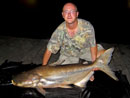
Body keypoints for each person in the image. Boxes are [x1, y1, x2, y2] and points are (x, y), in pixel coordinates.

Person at [42, 2, 105, 80]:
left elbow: (93, 45)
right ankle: (84, 72)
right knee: (63, 77)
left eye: (72, 11)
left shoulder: (87, 26)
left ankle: (88, 69)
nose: (69, 14)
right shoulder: (59, 30)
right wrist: (43, 69)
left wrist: (94, 63)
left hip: (85, 51)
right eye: (66, 11)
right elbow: (49, 50)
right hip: (68, 55)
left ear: (77, 14)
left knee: (103, 56)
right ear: (62, 14)